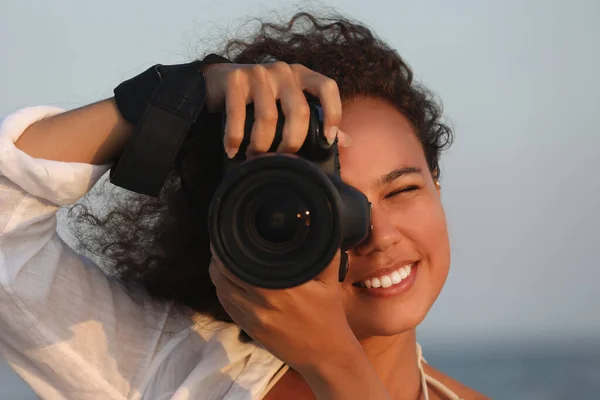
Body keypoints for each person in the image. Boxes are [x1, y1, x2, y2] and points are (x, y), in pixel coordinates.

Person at [0, 10, 488, 400]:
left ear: (437, 186)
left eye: (402, 190)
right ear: (241, 225)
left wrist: (337, 365)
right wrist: (181, 95)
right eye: (328, 208)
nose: (378, 235)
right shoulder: (167, 367)